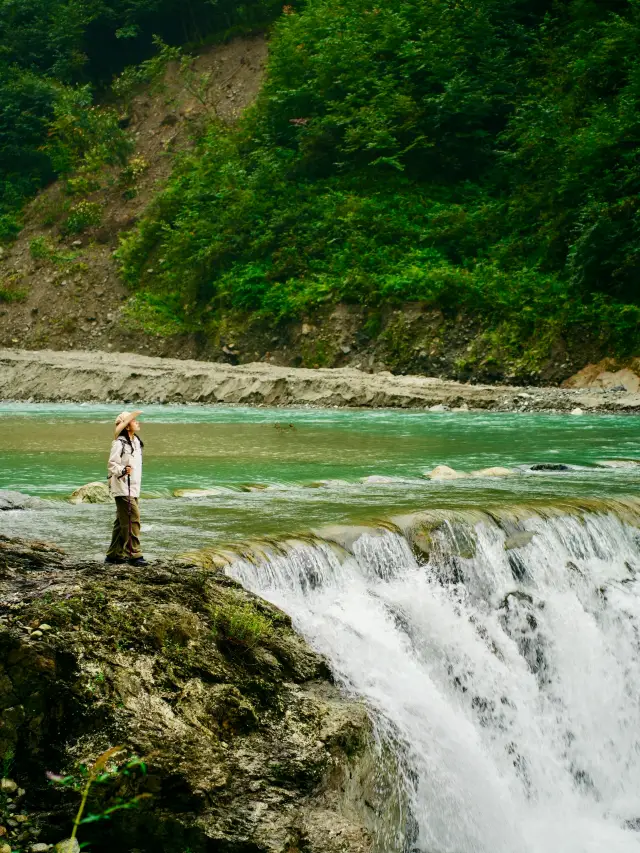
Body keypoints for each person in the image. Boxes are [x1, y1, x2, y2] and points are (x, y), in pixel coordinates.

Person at [105, 410, 149, 566]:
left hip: (133, 488)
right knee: (132, 520)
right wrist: (123, 470)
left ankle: (114, 555)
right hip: (122, 487)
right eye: (133, 420)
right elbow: (112, 465)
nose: (137, 422)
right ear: (127, 426)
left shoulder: (136, 442)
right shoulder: (119, 443)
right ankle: (134, 555)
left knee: (122, 522)